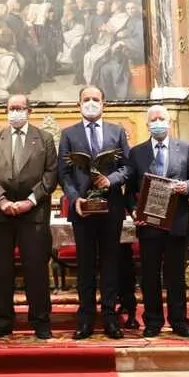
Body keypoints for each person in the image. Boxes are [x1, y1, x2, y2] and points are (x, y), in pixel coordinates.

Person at [0, 95, 58, 339]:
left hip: (33, 213)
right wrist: (2, 200)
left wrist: (30, 201)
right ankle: (3, 319)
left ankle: (40, 320)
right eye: (11, 108)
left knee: (35, 268)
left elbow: (51, 174)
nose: (15, 112)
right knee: (1, 270)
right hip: (1, 214)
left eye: (20, 108)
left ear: (29, 110)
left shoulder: (44, 139)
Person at [57, 85, 130, 340]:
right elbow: (63, 174)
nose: (91, 103)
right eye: (86, 99)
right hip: (82, 210)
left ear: (104, 103)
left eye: (95, 99)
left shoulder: (117, 131)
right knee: (86, 266)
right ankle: (86, 318)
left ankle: (110, 317)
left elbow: (127, 168)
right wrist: (75, 198)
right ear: (79, 104)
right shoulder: (68, 134)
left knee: (111, 263)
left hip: (111, 208)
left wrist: (111, 181)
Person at [125, 105, 189, 338]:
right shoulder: (136, 152)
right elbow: (130, 191)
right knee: (149, 275)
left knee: (176, 275)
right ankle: (153, 321)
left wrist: (186, 187)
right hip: (148, 224)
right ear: (147, 124)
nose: (158, 122)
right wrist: (134, 212)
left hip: (176, 222)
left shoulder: (184, 147)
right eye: (153, 119)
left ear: (169, 122)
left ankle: (179, 321)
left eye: (162, 118)